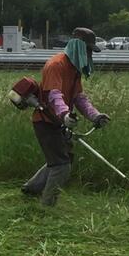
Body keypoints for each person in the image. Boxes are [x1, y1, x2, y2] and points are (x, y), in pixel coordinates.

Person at [21, 27, 110, 206]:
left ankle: (31, 189)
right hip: (46, 121)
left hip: (59, 122)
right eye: (88, 50)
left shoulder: (74, 69)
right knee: (61, 166)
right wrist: (64, 114)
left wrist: (95, 116)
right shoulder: (57, 65)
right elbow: (54, 95)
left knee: (62, 159)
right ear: (78, 46)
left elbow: (79, 98)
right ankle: (47, 205)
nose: (89, 54)